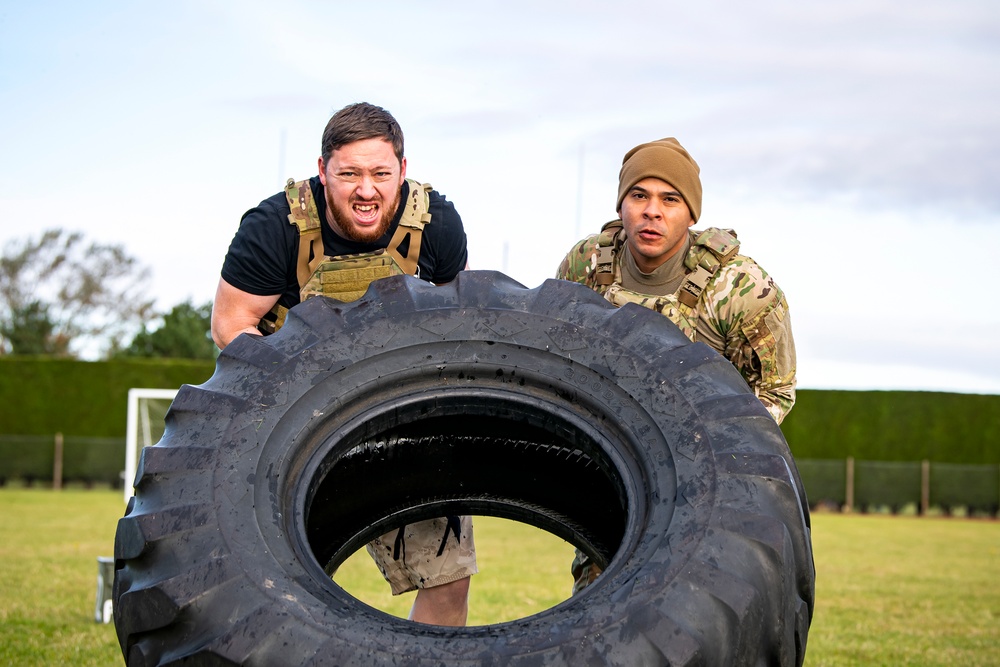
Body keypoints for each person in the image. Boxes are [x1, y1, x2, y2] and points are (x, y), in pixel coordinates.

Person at [211, 102, 475, 626]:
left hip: (400, 414)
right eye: (349, 173)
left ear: (403, 168)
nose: (366, 189)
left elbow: (458, 326)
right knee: (270, 580)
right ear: (322, 170)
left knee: (447, 575)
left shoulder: (437, 223)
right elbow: (232, 326)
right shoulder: (274, 227)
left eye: (380, 173)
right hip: (291, 419)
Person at [556, 137, 797, 593]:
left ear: (691, 214)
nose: (652, 211)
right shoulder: (586, 266)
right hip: (614, 473)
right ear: (622, 204)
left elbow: (774, 390)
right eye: (639, 195)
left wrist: (714, 453)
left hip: (706, 482)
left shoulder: (742, 289)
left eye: (670, 199)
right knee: (598, 603)